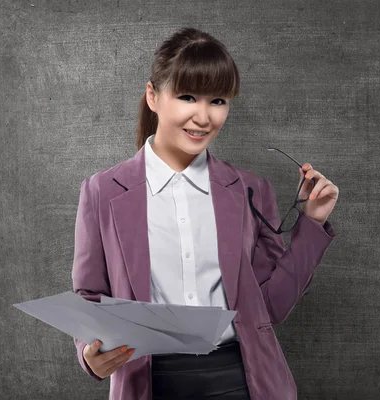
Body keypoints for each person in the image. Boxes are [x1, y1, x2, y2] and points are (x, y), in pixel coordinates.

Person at [71, 27, 339, 400]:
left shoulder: (250, 190)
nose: (203, 117)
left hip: (243, 381)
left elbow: (271, 307)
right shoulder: (101, 191)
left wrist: (311, 223)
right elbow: (90, 296)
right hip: (148, 382)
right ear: (153, 96)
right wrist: (90, 352)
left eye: (218, 101)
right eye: (187, 97)